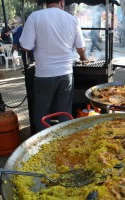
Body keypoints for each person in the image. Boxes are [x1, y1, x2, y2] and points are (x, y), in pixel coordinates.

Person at [19, 0, 86, 132]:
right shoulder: (71, 19)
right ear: (62, 2)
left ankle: (42, 144)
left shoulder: (35, 16)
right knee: (64, 113)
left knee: (43, 115)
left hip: (44, 75)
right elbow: (81, 48)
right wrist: (84, 58)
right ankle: (64, 142)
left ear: (46, 2)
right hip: (66, 74)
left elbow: (26, 47)